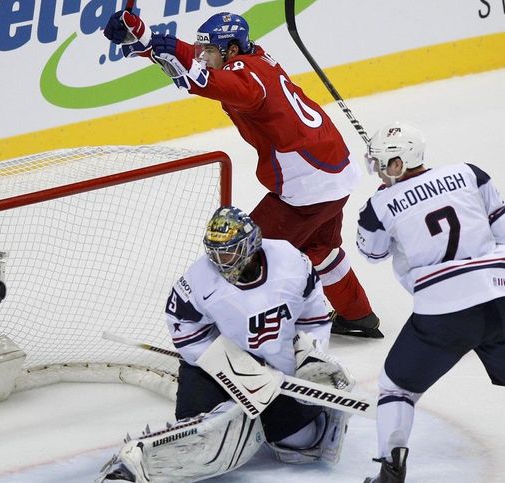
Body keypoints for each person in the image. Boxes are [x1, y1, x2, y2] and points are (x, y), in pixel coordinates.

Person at [103, 10, 382, 338]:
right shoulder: (253, 54)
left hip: (307, 184)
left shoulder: (248, 83)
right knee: (321, 249)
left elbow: (200, 79)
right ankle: (357, 315)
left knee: (241, 257)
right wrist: (145, 40)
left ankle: (244, 337)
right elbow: (196, 63)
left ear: (231, 51)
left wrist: (155, 43)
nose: (204, 56)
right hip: (334, 171)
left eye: (209, 51)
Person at [97, 206, 355, 482]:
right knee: (200, 440)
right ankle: (131, 466)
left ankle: (269, 422)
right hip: (214, 370)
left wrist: (310, 355)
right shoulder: (199, 279)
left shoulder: (290, 261)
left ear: (250, 245)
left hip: (278, 373)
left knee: (302, 442)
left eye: (229, 252)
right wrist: (234, 366)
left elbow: (313, 313)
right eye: (215, 253)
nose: (221, 261)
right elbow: (183, 327)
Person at [357, 122, 505, 482]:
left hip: (443, 312)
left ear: (397, 165)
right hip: (501, 295)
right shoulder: (469, 173)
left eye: (381, 163)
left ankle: (390, 470)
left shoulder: (378, 205)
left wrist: (389, 205)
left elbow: (371, 253)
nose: (377, 169)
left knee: (397, 387)